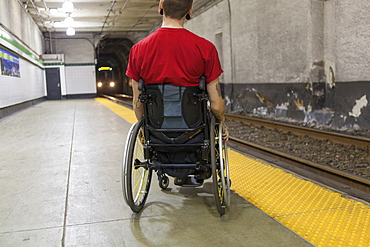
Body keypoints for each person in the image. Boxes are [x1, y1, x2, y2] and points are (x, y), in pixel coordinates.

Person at [126, 0, 229, 141]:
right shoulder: (206, 48)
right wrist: (221, 123)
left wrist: (143, 127)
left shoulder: (138, 50)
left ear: (161, 5)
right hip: (195, 132)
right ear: (190, 10)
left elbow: (138, 103)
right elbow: (216, 105)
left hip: (156, 133)